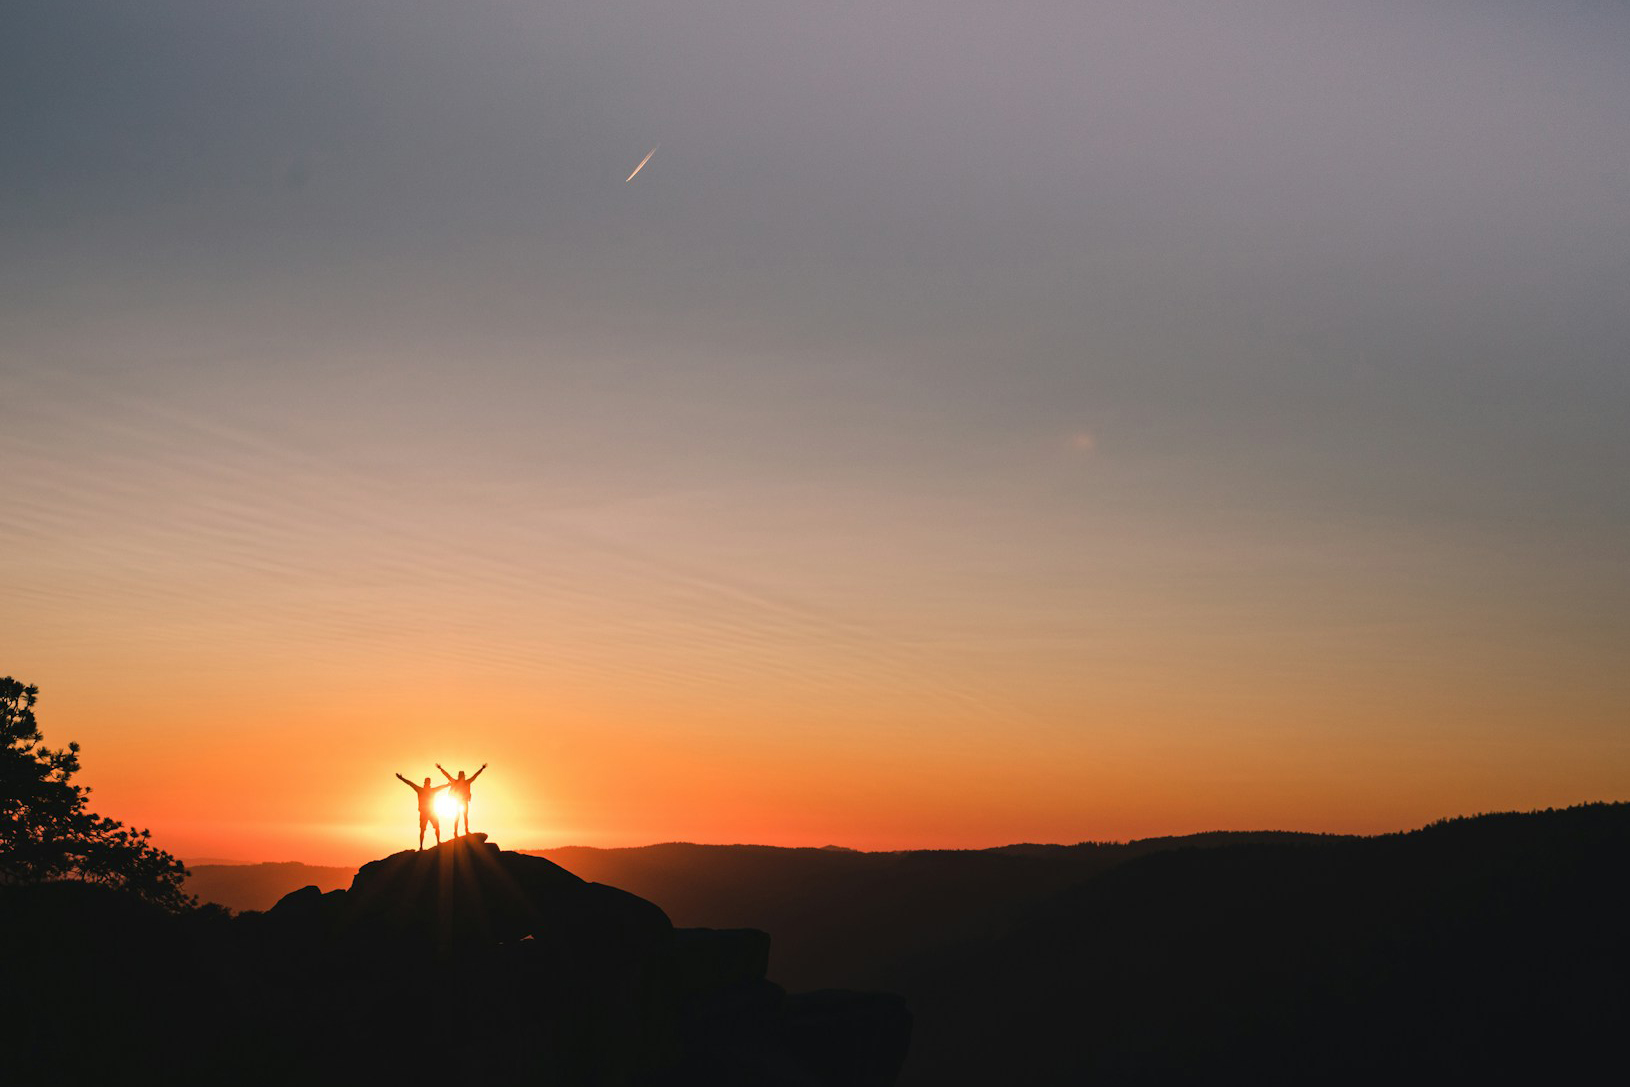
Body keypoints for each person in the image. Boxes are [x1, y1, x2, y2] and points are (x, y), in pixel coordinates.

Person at [395, 773, 448, 850]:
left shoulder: (424, 790)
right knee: (425, 829)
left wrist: (447, 785)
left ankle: (434, 843)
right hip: (427, 812)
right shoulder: (423, 790)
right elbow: (410, 783)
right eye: (427, 782)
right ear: (427, 783)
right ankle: (423, 845)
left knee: (433, 827)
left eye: (428, 782)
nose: (428, 784)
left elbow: (440, 787)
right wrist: (401, 778)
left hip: (430, 812)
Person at [436, 762, 486, 838]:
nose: (462, 777)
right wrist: (441, 769)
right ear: (461, 776)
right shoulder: (464, 782)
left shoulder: (461, 782)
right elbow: (447, 775)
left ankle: (462, 831)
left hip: (461, 801)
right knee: (460, 816)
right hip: (459, 801)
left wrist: (481, 769)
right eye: (462, 776)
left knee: (463, 816)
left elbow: (475, 776)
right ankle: (458, 832)